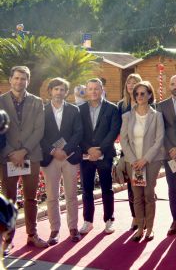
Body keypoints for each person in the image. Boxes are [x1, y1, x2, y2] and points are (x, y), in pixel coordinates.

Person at [0, 66, 47, 252]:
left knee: (31, 198)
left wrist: (24, 151)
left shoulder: (37, 102)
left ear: (28, 80)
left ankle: (32, 235)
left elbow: (39, 129)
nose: (19, 82)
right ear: (10, 79)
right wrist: (11, 152)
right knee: (8, 199)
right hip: (7, 156)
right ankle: (7, 239)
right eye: (17, 78)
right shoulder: (0, 101)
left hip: (31, 156)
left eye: (23, 79)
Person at [40, 78, 83, 244]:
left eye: (62, 89)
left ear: (66, 92)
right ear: (50, 91)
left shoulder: (74, 110)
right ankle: (54, 230)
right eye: (56, 89)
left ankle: (73, 228)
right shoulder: (42, 111)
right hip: (50, 158)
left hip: (69, 157)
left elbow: (78, 132)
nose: (59, 92)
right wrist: (52, 151)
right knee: (52, 197)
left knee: (71, 195)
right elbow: (39, 134)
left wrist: (64, 151)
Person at [120, 81, 165, 241]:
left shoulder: (157, 116)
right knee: (137, 196)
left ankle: (150, 228)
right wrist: (133, 160)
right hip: (133, 163)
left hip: (151, 161)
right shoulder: (127, 116)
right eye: (136, 94)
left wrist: (145, 159)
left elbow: (159, 140)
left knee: (148, 194)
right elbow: (123, 140)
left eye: (143, 93)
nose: (139, 96)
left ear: (149, 95)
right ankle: (140, 227)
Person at [78, 78, 121, 235]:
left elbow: (113, 131)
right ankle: (88, 221)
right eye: (90, 89)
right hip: (86, 155)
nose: (94, 91)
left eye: (97, 88)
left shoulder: (112, 108)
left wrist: (100, 150)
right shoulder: (80, 109)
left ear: (102, 89)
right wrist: (89, 149)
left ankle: (109, 220)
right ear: (87, 91)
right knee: (87, 189)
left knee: (106, 189)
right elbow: (78, 132)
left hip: (105, 155)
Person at [156, 75, 176, 236]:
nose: (175, 86)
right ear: (169, 86)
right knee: (172, 188)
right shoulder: (161, 106)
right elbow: (160, 131)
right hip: (169, 154)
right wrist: (172, 149)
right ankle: (175, 219)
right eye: (173, 83)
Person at [117, 73, 143, 230]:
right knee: (132, 187)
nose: (131, 85)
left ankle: (145, 217)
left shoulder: (148, 104)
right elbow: (119, 131)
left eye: (135, 83)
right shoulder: (121, 106)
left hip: (143, 153)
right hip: (127, 153)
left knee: (144, 188)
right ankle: (135, 217)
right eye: (129, 83)